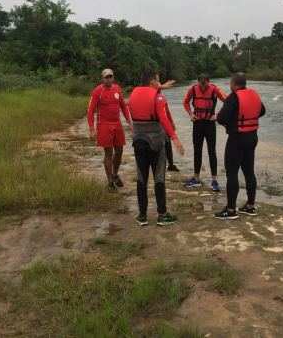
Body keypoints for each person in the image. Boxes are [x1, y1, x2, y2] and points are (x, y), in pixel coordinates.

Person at [128, 69, 184, 226]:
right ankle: (162, 214)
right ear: (152, 81)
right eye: (158, 80)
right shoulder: (157, 97)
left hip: (138, 141)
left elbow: (130, 110)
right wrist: (175, 138)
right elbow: (164, 120)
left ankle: (142, 216)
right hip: (156, 143)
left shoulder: (133, 93)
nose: (159, 83)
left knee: (141, 178)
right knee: (159, 177)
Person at [215, 73, 265, 219]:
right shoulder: (254, 95)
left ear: (234, 84)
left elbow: (221, 118)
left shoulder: (233, 97)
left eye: (230, 83)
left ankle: (231, 210)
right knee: (249, 171)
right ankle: (250, 206)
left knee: (232, 173)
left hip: (237, 139)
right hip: (252, 137)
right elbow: (262, 111)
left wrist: (232, 123)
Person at [87, 68, 132, 191]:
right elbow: (90, 111)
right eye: (106, 77)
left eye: (110, 76)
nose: (109, 79)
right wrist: (92, 128)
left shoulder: (117, 88)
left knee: (119, 151)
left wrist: (129, 121)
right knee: (108, 153)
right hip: (104, 125)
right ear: (102, 78)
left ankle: (115, 174)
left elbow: (123, 106)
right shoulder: (97, 91)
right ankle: (110, 182)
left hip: (117, 124)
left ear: (113, 77)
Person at [182, 74, 227, 192]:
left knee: (211, 151)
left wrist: (217, 116)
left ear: (208, 81)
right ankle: (196, 178)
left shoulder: (214, 89)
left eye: (204, 85)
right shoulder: (193, 89)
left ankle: (214, 179)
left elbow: (227, 102)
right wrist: (191, 114)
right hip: (197, 123)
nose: (202, 88)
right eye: (200, 84)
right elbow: (185, 102)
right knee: (197, 150)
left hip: (210, 124)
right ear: (198, 82)